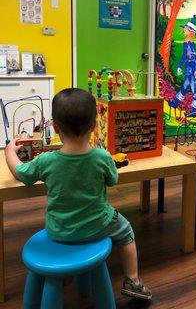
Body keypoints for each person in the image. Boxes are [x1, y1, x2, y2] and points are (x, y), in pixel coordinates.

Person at [5, 88, 152, 301]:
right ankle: (133, 280)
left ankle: (64, 274)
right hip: (98, 226)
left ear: (55, 127)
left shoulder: (46, 161)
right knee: (127, 233)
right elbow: (113, 180)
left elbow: (20, 173)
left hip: (59, 229)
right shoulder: (102, 157)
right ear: (94, 126)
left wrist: (9, 152)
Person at [170, 15, 196, 116]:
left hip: (192, 68)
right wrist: (179, 66)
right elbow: (184, 55)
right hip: (188, 68)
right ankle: (175, 103)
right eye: (184, 29)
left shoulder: (191, 43)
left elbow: (195, 57)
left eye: (186, 29)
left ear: (191, 32)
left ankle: (194, 110)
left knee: (194, 88)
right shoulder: (186, 42)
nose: (184, 30)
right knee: (185, 86)